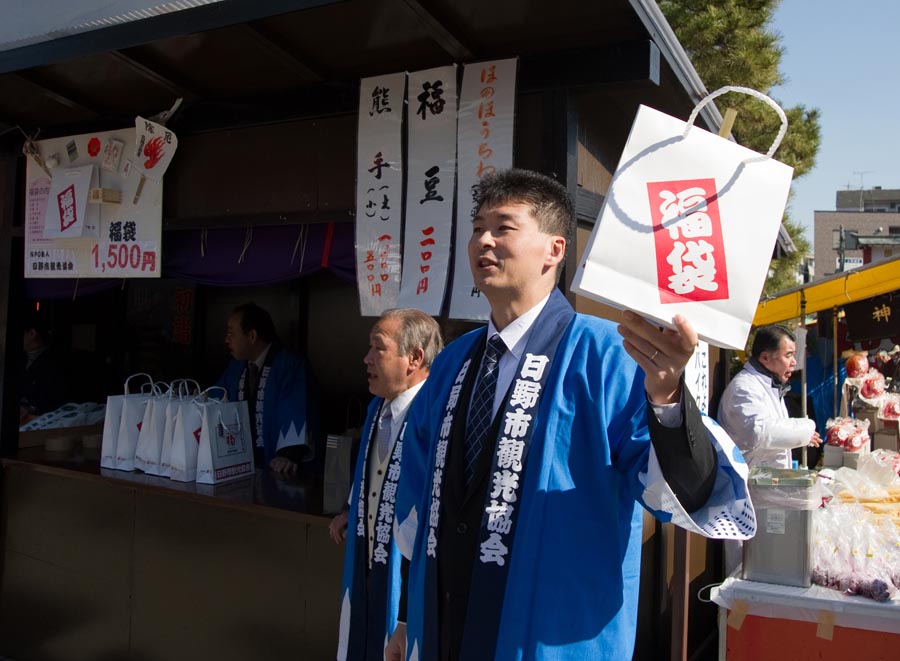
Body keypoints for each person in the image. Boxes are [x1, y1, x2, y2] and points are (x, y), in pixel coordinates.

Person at [385, 169, 754, 660]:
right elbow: (417, 498)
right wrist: (409, 615)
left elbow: (681, 488)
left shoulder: (609, 355)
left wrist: (666, 397)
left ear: (554, 250)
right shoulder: (453, 360)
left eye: (504, 227)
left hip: (554, 633)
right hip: (448, 621)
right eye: (477, 227)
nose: (483, 241)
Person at [330, 308, 443, 661]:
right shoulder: (377, 408)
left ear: (414, 358)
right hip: (366, 562)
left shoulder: (435, 415)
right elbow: (369, 469)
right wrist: (351, 508)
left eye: (378, 348)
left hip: (407, 580)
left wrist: (409, 615)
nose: (366, 359)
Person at [216, 302, 313, 474]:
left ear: (252, 336)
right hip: (241, 467)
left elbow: (294, 408)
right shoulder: (237, 367)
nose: (226, 339)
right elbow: (217, 397)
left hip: (278, 470)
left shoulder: (288, 365)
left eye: (231, 333)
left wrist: (288, 455)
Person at [718, 325, 822, 470]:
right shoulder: (744, 388)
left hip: (768, 482)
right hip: (750, 486)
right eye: (788, 355)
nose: (794, 362)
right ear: (765, 357)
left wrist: (802, 436)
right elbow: (759, 431)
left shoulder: (770, 385)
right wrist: (806, 428)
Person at [20, 308, 67, 422]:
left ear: (32, 333)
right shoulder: (20, 358)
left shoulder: (55, 362)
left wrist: (29, 409)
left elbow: (52, 400)